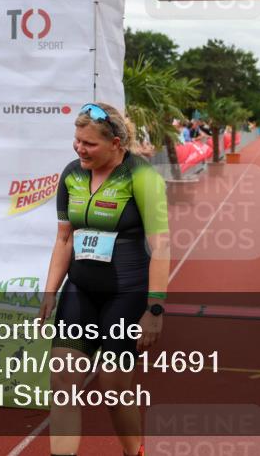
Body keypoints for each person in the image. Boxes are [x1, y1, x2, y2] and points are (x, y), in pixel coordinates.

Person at [37, 103, 170, 456]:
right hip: (80, 290)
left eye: (89, 144)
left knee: (114, 388)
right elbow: (64, 238)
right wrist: (51, 290)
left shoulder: (142, 176)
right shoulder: (71, 174)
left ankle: (133, 452)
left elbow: (161, 247)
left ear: (116, 143)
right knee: (63, 380)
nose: (80, 149)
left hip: (126, 295)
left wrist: (154, 310)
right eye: (77, 141)